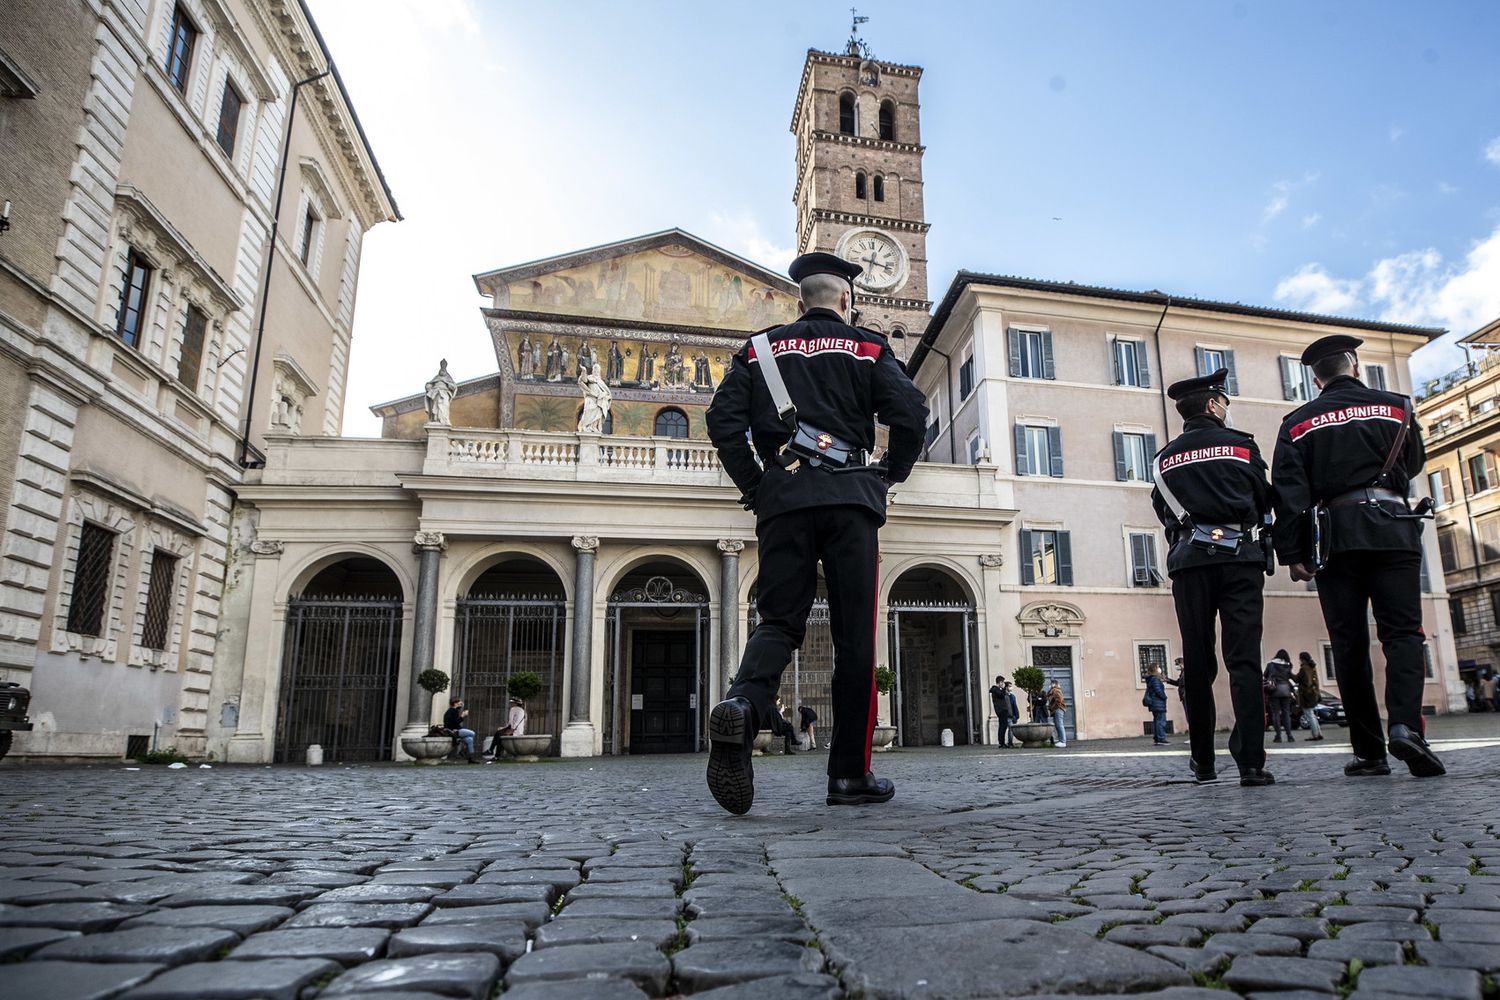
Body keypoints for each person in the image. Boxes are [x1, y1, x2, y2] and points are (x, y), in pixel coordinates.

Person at [703, 251, 927, 814]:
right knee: (854, 636)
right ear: (846, 301)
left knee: (779, 621)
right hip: (851, 499)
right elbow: (912, 413)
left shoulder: (759, 350)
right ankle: (848, 776)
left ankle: (746, 705)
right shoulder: (870, 346)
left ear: (799, 303)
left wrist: (758, 485)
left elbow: (720, 422)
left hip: (783, 501)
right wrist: (888, 473)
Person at [1272, 334, 1443, 778]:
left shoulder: (1296, 422)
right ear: (1356, 367)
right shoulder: (1399, 406)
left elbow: (1289, 493)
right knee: (1404, 634)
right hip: (1394, 528)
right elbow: (1415, 461)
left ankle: (1369, 751)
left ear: (1315, 378)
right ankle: (1406, 727)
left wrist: (1293, 553)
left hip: (1334, 538)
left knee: (1348, 646)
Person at [1151, 368, 1275, 787]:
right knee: (1244, 660)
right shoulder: (1242, 446)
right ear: (1212, 405)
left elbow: (1163, 512)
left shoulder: (1163, 458)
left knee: (1198, 662)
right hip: (1241, 558)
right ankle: (1250, 763)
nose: (1226, 407)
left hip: (1189, 562)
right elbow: (1263, 497)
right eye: (1224, 401)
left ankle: (1203, 761)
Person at [1265, 650, 1297, 743]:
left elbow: (1265, 675)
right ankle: (1289, 735)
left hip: (1274, 691)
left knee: (1275, 714)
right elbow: (1290, 677)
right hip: (1286, 691)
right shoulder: (1288, 665)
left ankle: (1278, 736)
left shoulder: (1271, 665)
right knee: (1286, 713)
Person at [1296, 651, 1324, 740]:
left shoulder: (1304, 668)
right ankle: (1318, 733)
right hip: (1313, 694)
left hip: (1307, 695)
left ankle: (1315, 735)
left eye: (1300, 658)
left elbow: (1299, 680)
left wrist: (1289, 673)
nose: (1299, 660)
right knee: (1312, 715)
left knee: (1309, 715)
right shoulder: (1312, 667)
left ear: (1302, 659)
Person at [442, 696, 478, 763]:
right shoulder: (452, 711)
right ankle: (462, 751)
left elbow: (454, 721)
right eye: (459, 702)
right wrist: (462, 716)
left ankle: (471, 758)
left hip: (454, 730)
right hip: (453, 731)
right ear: (455, 703)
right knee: (472, 733)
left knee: (469, 740)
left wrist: (462, 707)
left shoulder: (453, 710)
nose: (460, 704)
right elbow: (454, 723)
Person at [1144, 664, 1170, 746]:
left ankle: (1157, 738)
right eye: (1158, 667)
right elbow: (1158, 690)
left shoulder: (1151, 679)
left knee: (1156, 721)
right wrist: (1164, 697)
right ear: (1155, 669)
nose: (1159, 669)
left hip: (1154, 703)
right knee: (1161, 721)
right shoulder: (1155, 679)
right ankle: (1161, 738)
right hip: (1158, 703)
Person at [1046, 682, 1068, 748]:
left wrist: (1053, 707)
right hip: (1057, 710)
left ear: (1054, 684)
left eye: (1051, 684)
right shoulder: (1052, 692)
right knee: (1058, 725)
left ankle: (1063, 741)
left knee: (1059, 725)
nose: (1049, 685)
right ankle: (1060, 741)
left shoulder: (1056, 690)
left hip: (1059, 709)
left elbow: (1059, 700)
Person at [989, 676, 1009, 747]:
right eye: (1002, 682)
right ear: (1000, 682)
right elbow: (1001, 695)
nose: (1003, 684)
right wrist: (1004, 688)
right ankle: (1001, 742)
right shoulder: (995, 689)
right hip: (1001, 710)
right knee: (1003, 726)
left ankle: (1002, 742)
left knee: (1003, 726)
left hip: (1002, 709)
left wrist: (1003, 689)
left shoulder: (997, 689)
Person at [1002, 682, 1020, 747]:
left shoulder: (1012, 696)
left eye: (1011, 686)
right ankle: (1009, 743)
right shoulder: (1004, 696)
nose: (1011, 687)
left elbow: (1015, 706)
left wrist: (1016, 715)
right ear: (1006, 687)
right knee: (1010, 728)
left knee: (1010, 729)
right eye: (1009, 686)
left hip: (1013, 715)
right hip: (1008, 715)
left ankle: (1009, 742)